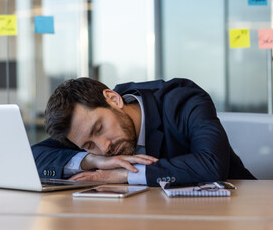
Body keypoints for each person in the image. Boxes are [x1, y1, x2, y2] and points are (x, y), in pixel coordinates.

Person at [31, 78, 255, 187]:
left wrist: (125, 175)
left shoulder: (182, 100)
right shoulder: (82, 129)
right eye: (89, 144)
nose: (104, 146)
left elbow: (211, 164)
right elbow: (33, 156)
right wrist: (93, 160)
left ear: (113, 99)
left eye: (99, 129)